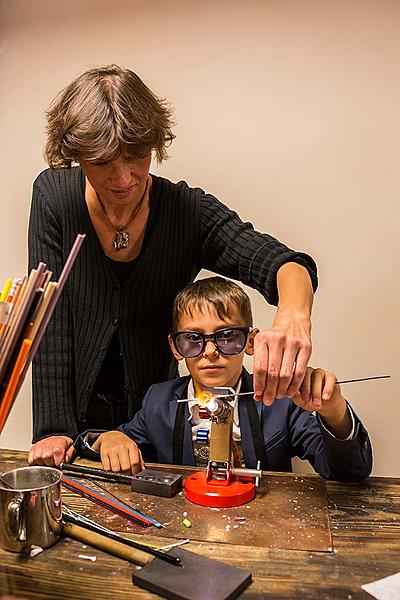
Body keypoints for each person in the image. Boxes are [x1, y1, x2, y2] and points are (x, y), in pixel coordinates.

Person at [28, 65, 318, 468]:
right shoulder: (54, 198)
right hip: (76, 424)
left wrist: (293, 316)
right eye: (102, 163)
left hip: (155, 422)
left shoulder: (187, 212)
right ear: (75, 155)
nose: (124, 178)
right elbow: (48, 317)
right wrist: (52, 429)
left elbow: (281, 262)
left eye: (136, 156)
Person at [91, 277, 372, 482]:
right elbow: (108, 445)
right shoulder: (159, 402)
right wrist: (109, 438)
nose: (211, 351)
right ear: (176, 348)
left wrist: (334, 411)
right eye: (193, 339)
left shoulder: (282, 402)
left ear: (250, 342)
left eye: (227, 336)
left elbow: (350, 472)